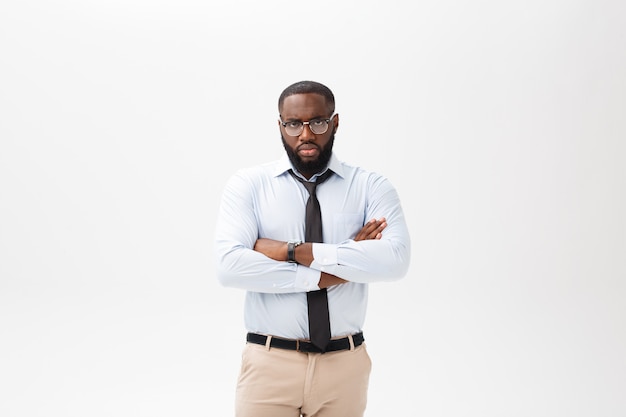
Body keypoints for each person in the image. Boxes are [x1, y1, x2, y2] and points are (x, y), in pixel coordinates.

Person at [215, 80, 411, 417]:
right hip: (269, 364)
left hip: (344, 365)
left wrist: (293, 251)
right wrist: (339, 266)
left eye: (317, 122)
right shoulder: (249, 185)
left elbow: (395, 261)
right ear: (280, 126)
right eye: (293, 124)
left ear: (335, 122)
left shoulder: (370, 186)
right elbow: (230, 267)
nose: (305, 134)